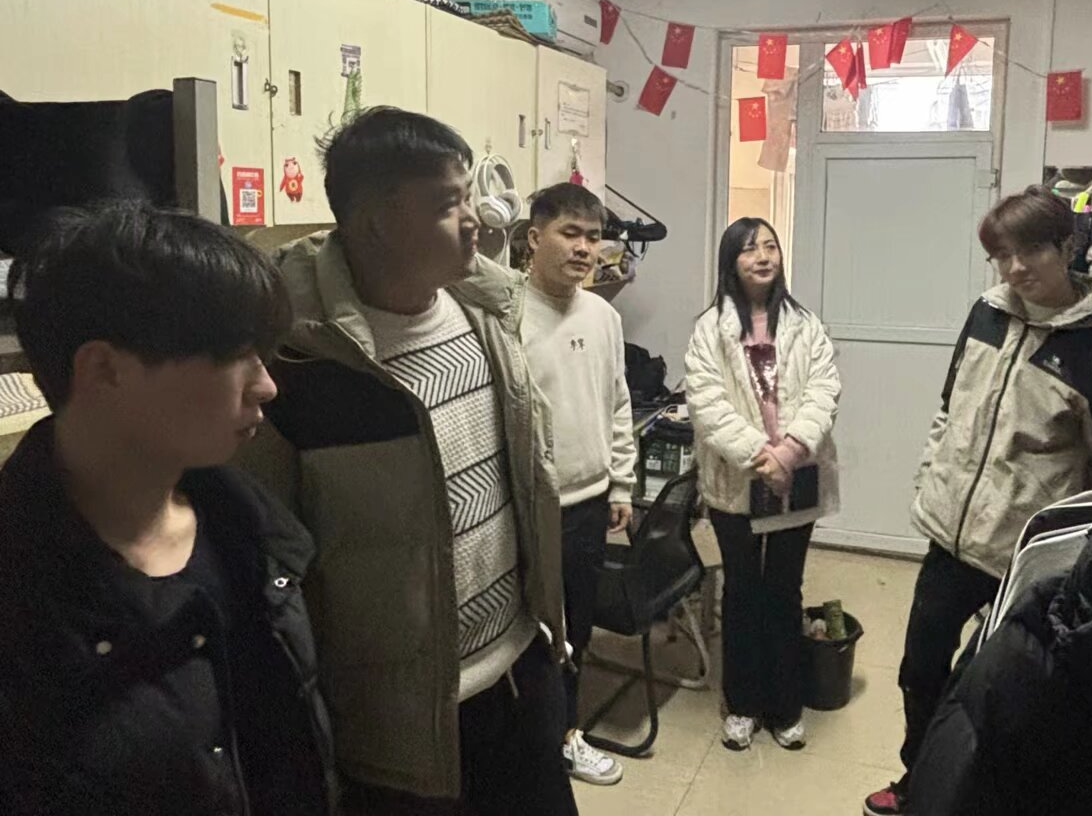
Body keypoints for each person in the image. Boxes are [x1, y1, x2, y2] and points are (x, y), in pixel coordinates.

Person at [236, 108, 575, 816]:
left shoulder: (487, 313)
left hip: (522, 675)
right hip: (400, 731)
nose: (475, 219)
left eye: (468, 195)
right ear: (376, 223)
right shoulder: (299, 363)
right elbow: (275, 567)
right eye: (448, 203)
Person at [0, 202, 336, 816]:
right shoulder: (21, 592)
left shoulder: (251, 532)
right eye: (234, 355)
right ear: (104, 369)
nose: (266, 384)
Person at [864, 187, 1092, 816]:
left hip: (1024, 555)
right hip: (952, 533)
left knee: (994, 690)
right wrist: (931, 480)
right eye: (1001, 255)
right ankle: (918, 783)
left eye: (1031, 251)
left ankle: (973, 797)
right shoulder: (987, 315)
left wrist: (1067, 548)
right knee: (920, 669)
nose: (1016, 268)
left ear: (1067, 247)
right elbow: (950, 409)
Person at [685, 217, 841, 754]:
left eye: (770, 246)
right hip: (736, 480)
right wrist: (760, 456)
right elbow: (706, 403)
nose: (763, 256)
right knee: (743, 590)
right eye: (749, 249)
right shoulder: (709, 329)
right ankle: (743, 704)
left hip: (796, 477)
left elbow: (825, 389)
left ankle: (784, 705)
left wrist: (790, 452)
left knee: (784, 589)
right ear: (731, 261)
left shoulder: (805, 325)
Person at [519, 182, 637, 788]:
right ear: (534, 237)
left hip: (590, 501)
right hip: (530, 508)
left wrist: (622, 484)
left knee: (576, 629)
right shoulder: (506, 315)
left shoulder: (603, 315)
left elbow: (618, 402)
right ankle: (530, 743)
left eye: (593, 237)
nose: (585, 248)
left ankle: (568, 737)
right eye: (570, 233)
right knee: (532, 633)